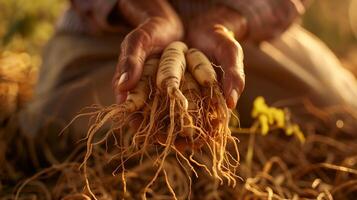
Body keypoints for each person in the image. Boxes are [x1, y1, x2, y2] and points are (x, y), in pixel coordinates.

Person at [20, 0, 357, 143]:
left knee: (341, 114)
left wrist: (228, 21)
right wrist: (146, 11)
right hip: (111, 33)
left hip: (241, 31)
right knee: (53, 130)